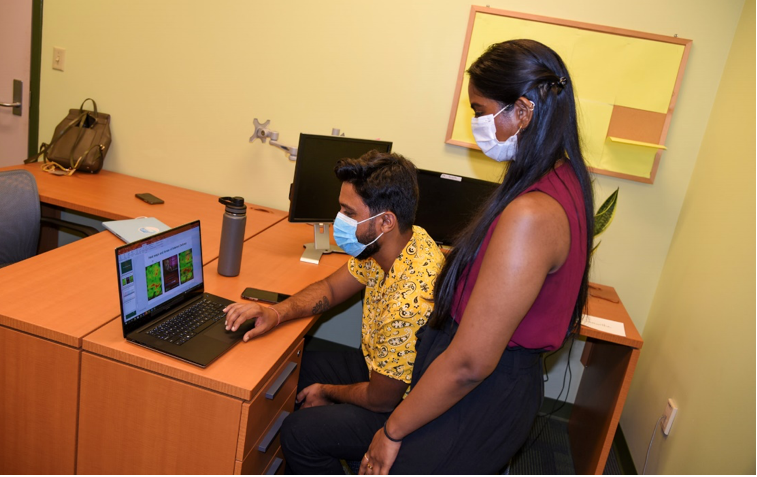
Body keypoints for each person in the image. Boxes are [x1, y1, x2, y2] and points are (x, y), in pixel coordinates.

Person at [358, 39, 595, 475]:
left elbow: (469, 363)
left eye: (480, 110)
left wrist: (391, 431)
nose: (477, 123)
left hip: (478, 394)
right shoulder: (561, 179)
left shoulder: (532, 213)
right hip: (488, 387)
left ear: (522, 112)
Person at [222, 150, 445, 474]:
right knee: (289, 373)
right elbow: (329, 289)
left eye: (347, 212)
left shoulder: (409, 304)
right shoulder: (398, 242)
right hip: (374, 366)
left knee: (299, 433)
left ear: (385, 221)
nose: (338, 219)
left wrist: (328, 393)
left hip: (400, 407)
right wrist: (276, 313)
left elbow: (382, 399)